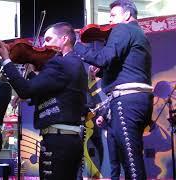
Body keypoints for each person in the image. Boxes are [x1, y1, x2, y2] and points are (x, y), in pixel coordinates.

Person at [0, 22, 88, 179]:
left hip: (59, 140)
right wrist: (30, 76)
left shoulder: (60, 63)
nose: (43, 46)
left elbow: (27, 90)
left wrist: (7, 61)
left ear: (64, 39)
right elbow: (40, 92)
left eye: (48, 39)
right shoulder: (72, 64)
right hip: (64, 139)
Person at [74, 0, 153, 179]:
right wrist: (101, 71)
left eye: (113, 15)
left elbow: (104, 58)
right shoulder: (139, 33)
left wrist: (76, 46)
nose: (109, 20)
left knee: (131, 162)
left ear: (126, 15)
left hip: (127, 102)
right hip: (138, 100)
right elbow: (127, 65)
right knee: (129, 158)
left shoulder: (123, 29)